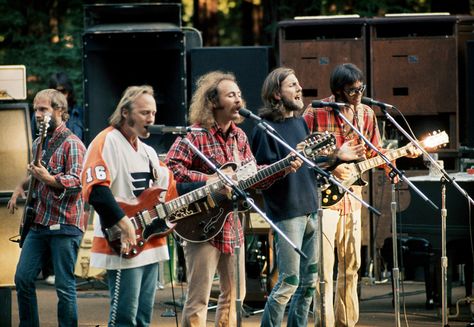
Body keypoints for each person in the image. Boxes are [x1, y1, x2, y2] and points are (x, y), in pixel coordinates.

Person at [165, 71, 301, 327]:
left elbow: (251, 175)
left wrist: (282, 167)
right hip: (199, 224)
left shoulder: (240, 136)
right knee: (199, 299)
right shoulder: (195, 135)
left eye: (239, 94)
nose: (239, 100)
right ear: (213, 102)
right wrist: (209, 180)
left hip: (231, 222)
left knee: (234, 297)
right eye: (231, 95)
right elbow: (170, 170)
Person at [81, 85, 208, 326]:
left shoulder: (149, 152)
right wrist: (124, 224)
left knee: (142, 318)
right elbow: (96, 189)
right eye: (144, 113)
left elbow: (171, 192)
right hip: (123, 240)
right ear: (125, 112)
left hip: (150, 240)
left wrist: (209, 186)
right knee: (125, 318)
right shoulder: (106, 141)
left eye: (153, 113)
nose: (151, 118)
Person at [303, 63, 412, 327]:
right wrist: (333, 163)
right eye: (352, 90)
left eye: (361, 88)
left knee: (351, 267)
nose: (358, 94)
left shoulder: (366, 114)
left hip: (354, 198)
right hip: (323, 199)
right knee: (325, 271)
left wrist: (394, 165)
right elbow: (299, 153)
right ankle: (324, 323)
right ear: (338, 91)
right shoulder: (315, 111)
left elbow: (376, 151)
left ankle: (347, 322)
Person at [7, 88, 87, 326]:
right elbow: (34, 169)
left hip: (65, 223)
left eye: (43, 109)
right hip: (39, 221)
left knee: (64, 286)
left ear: (60, 111)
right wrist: (20, 187)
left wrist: (49, 180)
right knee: (22, 278)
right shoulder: (37, 143)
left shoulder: (73, 144)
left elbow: (78, 182)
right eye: (35, 110)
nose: (38, 115)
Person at [249, 67, 319, 327]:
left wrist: (335, 158)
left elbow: (310, 164)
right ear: (276, 94)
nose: (300, 89)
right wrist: (285, 164)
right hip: (287, 213)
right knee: (289, 282)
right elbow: (259, 176)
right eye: (293, 85)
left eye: (298, 83)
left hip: (312, 207)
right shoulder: (264, 129)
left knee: (310, 282)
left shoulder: (301, 122)